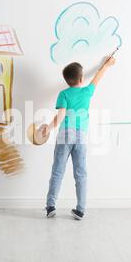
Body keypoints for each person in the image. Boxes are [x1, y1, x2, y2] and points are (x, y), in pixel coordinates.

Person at [42, 55, 116, 220]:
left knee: (57, 172)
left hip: (64, 136)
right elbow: (98, 76)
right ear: (81, 78)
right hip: (81, 137)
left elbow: (60, 116)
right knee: (81, 173)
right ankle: (80, 209)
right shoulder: (87, 92)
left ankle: (50, 207)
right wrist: (107, 64)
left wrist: (48, 127)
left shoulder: (63, 94)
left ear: (67, 80)